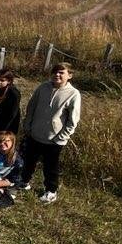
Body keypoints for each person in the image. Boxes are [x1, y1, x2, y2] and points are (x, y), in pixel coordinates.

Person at [20, 63, 81, 203]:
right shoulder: (43, 87)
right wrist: (28, 126)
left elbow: (73, 120)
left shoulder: (73, 94)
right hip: (35, 134)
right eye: (54, 72)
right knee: (29, 161)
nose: (57, 75)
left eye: (61, 73)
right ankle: (24, 182)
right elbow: (31, 107)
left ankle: (51, 191)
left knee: (50, 167)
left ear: (69, 76)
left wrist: (61, 137)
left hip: (54, 140)